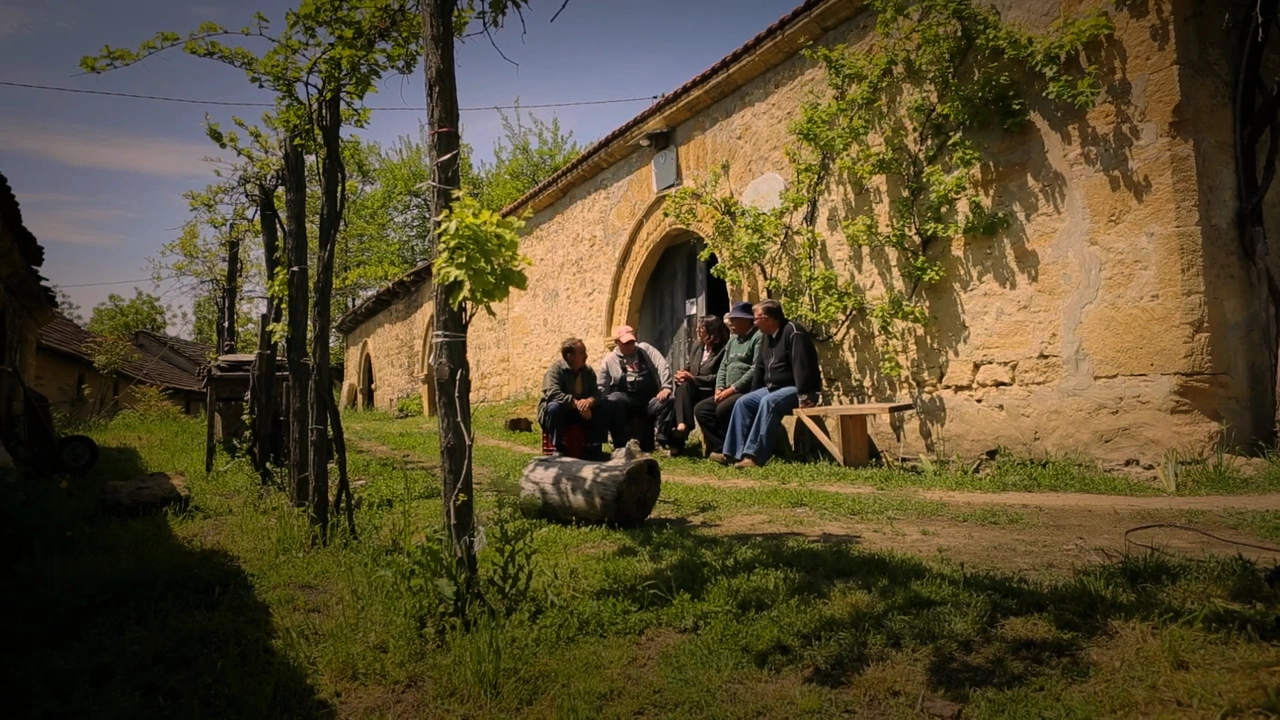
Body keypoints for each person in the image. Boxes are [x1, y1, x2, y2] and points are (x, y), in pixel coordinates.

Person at [713, 299, 822, 468]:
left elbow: (801, 366)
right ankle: (732, 453)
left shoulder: (793, 332)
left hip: (797, 389)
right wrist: (754, 392)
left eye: (756, 319)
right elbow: (760, 367)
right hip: (773, 388)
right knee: (744, 402)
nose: (754, 323)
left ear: (768, 319)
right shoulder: (767, 336)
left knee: (768, 402)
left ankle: (753, 456)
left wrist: (804, 395)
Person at [694, 301, 761, 457]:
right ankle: (722, 447)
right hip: (727, 390)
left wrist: (732, 389)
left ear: (747, 320)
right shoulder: (732, 341)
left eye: (735, 319)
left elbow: (755, 369)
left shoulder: (758, 338)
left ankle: (735, 448)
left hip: (745, 390)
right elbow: (723, 367)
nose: (730, 323)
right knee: (702, 409)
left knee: (723, 409)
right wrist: (719, 388)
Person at [598, 324, 673, 452]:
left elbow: (662, 365)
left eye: (631, 342)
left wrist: (666, 387)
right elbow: (601, 386)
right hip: (626, 400)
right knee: (612, 401)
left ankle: (660, 441)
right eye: (625, 343)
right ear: (617, 342)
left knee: (668, 401)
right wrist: (599, 402)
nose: (629, 346)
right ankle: (620, 445)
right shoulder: (609, 360)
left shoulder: (645, 350)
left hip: (649, 399)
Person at [537, 337, 610, 459]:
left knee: (604, 406)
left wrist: (589, 401)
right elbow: (553, 393)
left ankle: (594, 448)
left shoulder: (588, 371)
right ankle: (558, 448)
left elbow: (597, 392)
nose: (586, 356)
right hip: (563, 411)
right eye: (582, 352)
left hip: (582, 412)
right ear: (570, 357)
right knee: (553, 407)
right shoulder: (555, 371)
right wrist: (576, 404)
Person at [669, 315, 729, 455]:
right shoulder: (698, 347)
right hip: (695, 389)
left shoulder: (723, 350)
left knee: (681, 394)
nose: (697, 330)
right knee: (681, 389)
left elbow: (719, 376)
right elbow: (690, 366)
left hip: (711, 391)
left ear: (712, 331)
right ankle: (682, 427)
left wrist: (694, 378)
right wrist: (682, 373)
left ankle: (678, 439)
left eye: (701, 328)